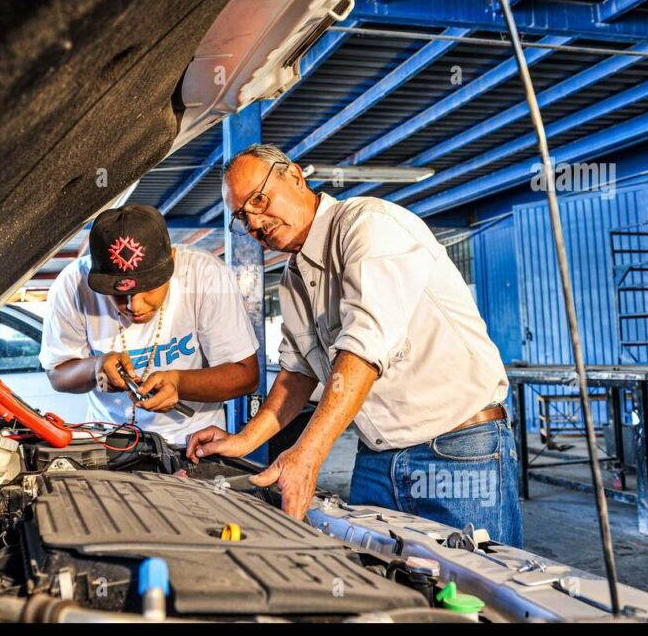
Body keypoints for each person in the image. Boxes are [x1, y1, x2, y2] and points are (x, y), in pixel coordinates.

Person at [185, 144, 522, 546]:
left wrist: (307, 455)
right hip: (377, 457)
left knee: (475, 593)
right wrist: (243, 439)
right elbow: (298, 373)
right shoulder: (294, 278)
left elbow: (363, 347)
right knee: (382, 588)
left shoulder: (368, 225)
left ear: (294, 175)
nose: (255, 221)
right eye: (242, 216)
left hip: (457, 448)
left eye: (259, 199)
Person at [40, 204, 260, 447]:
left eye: (148, 288)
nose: (134, 304)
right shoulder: (72, 285)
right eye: (119, 293)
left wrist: (179, 383)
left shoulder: (205, 275)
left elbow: (246, 375)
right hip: (108, 442)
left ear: (172, 262)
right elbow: (57, 375)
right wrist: (95, 367)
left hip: (193, 443)